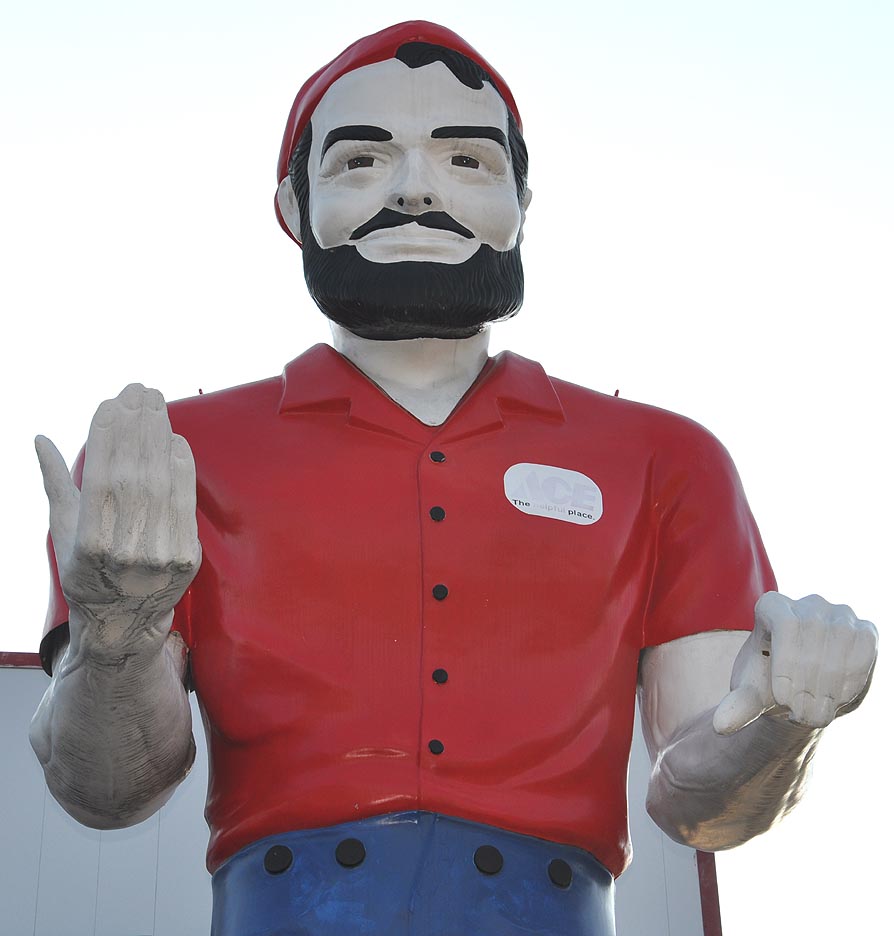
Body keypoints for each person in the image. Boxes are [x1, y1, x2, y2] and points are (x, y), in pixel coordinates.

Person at [30, 21, 877, 936]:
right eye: (361, 160)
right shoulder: (169, 461)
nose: (415, 189)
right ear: (292, 204)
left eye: (467, 160)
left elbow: (700, 803)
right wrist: (116, 635)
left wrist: (782, 721)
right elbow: (104, 789)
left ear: (522, 201)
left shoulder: (666, 460)